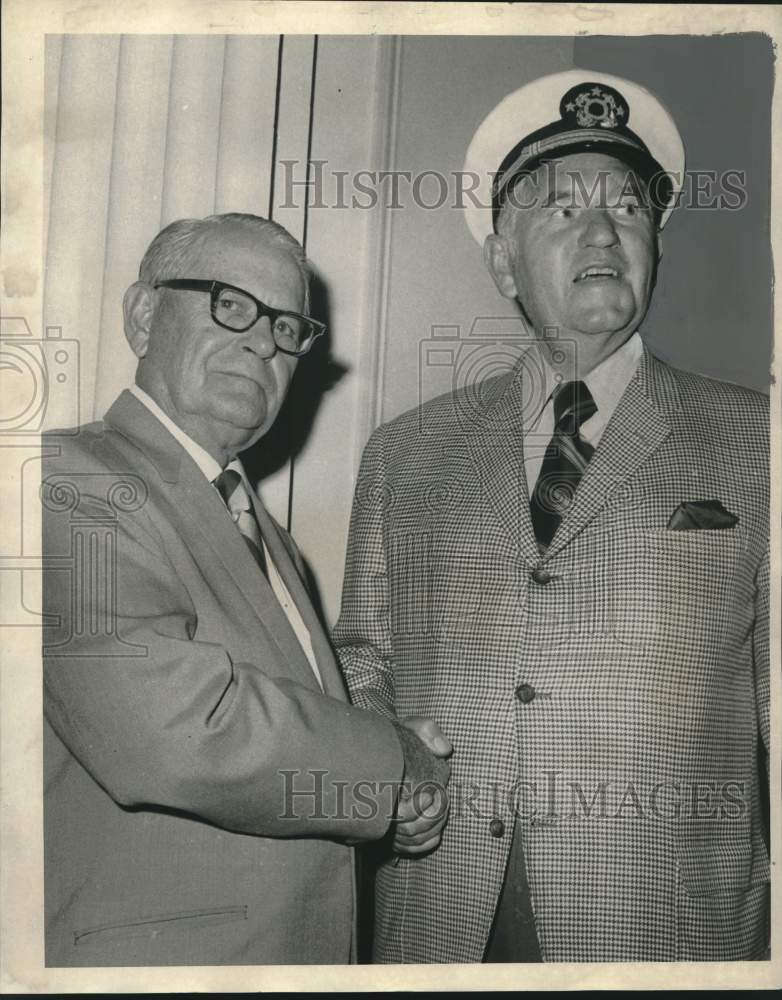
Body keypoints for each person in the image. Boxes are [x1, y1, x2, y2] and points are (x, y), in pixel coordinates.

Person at [333, 71, 770, 962]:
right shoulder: (405, 452)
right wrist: (386, 772)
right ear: (503, 262)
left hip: (664, 920)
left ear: (657, 247)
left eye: (630, 209)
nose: (605, 230)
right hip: (438, 908)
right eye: (563, 210)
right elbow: (362, 655)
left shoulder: (759, 438)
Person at [41, 212, 450, 967]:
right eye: (231, 303)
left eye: (288, 327)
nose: (264, 342)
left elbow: (295, 739)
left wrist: (391, 801)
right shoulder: (68, 481)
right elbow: (173, 726)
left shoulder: (270, 538)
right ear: (142, 315)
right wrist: (391, 765)